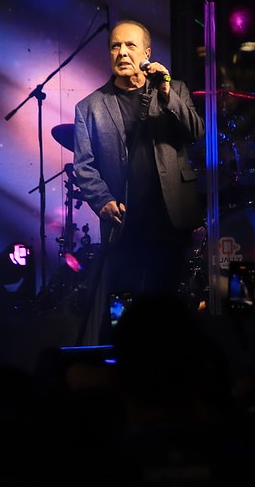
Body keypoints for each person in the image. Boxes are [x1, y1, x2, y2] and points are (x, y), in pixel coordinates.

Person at [72, 19, 206, 344]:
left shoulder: (174, 90)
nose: (122, 52)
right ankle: (118, 353)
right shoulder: (89, 107)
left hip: (169, 217)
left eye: (130, 45)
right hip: (124, 221)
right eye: (115, 46)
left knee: (165, 299)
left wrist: (165, 93)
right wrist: (102, 200)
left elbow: (197, 132)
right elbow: (84, 165)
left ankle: (164, 355)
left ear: (147, 53)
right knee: (120, 298)